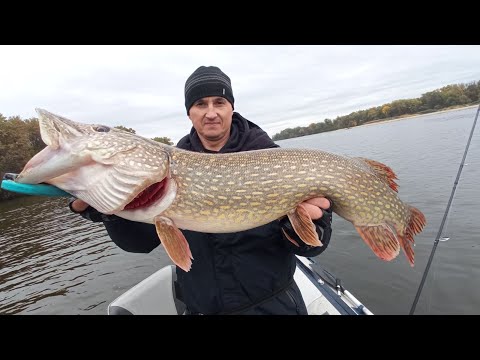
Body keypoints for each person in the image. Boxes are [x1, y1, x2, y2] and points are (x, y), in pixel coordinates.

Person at [69, 65, 333, 315]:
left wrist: (302, 226)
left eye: (219, 102)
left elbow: (312, 247)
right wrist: (108, 208)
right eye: (200, 104)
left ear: (231, 108)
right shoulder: (165, 170)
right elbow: (139, 244)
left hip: (274, 305)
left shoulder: (274, 161)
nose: (211, 112)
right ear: (189, 112)